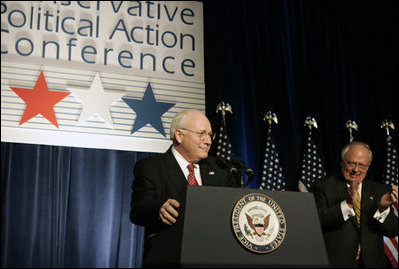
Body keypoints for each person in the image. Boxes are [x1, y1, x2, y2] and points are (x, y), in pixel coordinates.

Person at [130, 109, 238, 266]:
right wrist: (158, 210)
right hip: (170, 258)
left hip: (216, 257)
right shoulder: (151, 167)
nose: (208, 141)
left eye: (210, 135)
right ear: (179, 135)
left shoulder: (222, 168)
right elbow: (138, 210)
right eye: (201, 134)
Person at [312, 141, 398, 268]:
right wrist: (347, 204)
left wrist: (383, 208)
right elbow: (318, 222)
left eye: (362, 165)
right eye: (351, 163)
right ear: (342, 162)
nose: (356, 170)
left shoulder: (379, 190)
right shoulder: (323, 186)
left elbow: (393, 231)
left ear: (368, 167)